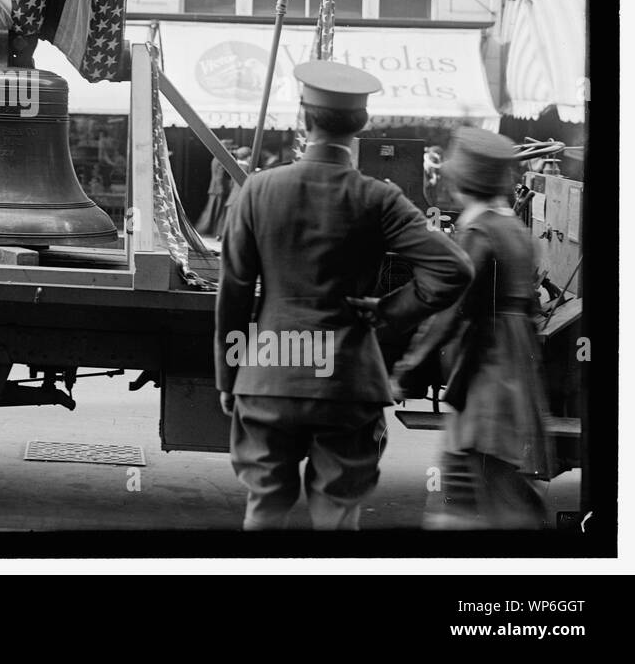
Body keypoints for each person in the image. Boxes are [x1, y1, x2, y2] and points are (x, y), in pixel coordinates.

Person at [215, 60, 473, 530]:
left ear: (303, 116)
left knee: (265, 506)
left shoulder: (258, 190)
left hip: (269, 375)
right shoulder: (381, 198)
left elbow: (233, 292)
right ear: (363, 124)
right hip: (347, 379)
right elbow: (452, 269)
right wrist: (390, 311)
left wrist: (230, 377)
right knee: (338, 513)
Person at [392, 128, 553, 529]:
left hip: (488, 368)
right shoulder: (512, 226)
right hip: (511, 366)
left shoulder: (478, 230)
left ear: (463, 181)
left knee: (478, 478)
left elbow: (450, 307)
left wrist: (407, 370)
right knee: (484, 475)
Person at [195, 139, 236, 237]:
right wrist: (222, 189)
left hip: (214, 188)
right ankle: (205, 230)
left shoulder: (216, 157)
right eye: (229, 148)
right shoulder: (222, 158)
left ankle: (204, 230)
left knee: (212, 211)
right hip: (219, 189)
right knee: (215, 211)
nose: (231, 151)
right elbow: (220, 176)